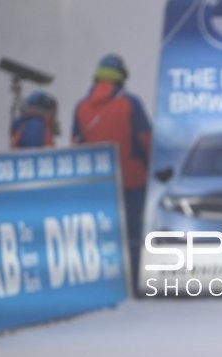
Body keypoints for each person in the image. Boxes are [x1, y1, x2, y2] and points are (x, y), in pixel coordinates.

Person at [71, 54, 152, 292]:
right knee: (134, 234)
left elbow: (76, 146)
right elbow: (146, 140)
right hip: (133, 180)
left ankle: (107, 284)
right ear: (121, 78)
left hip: (98, 185)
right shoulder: (130, 104)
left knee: (105, 235)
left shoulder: (81, 108)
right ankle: (135, 284)